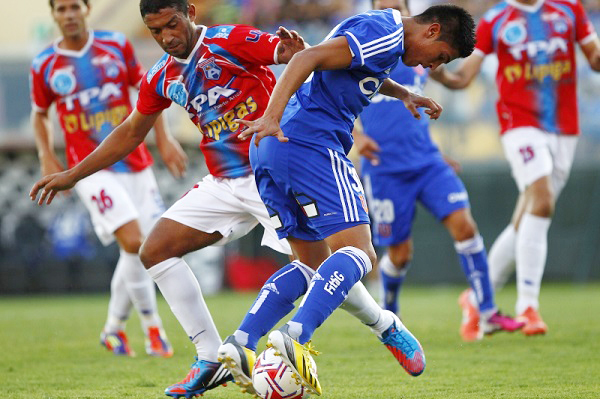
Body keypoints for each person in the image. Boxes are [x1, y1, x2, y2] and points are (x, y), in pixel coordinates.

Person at [30, 0, 310, 397]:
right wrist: (72, 175)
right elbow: (129, 133)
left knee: (322, 269)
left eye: (172, 25)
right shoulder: (160, 76)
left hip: (271, 172)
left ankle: (384, 325)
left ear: (190, 13)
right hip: (223, 182)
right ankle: (211, 357)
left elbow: (289, 55)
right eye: (156, 31)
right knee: (153, 249)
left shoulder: (230, 39)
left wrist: (289, 50)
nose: (167, 37)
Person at [218, 4, 476, 396]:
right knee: (360, 254)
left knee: (309, 263)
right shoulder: (385, 33)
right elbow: (307, 58)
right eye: (439, 56)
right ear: (432, 30)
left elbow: (353, 68)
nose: (433, 65)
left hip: (272, 151)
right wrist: (271, 116)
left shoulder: (385, 37)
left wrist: (404, 93)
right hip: (309, 142)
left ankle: (241, 342)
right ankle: (295, 336)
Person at [354, 0, 524, 342]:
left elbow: (454, 79)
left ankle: (487, 312)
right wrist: (356, 135)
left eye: (397, 5)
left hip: (429, 161)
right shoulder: (368, 45)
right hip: (384, 167)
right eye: (384, 6)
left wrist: (476, 56)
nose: (393, 11)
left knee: (465, 226)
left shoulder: (424, 52)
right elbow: (336, 86)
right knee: (400, 255)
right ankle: (390, 314)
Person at [30, 0, 188, 357]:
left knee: (145, 246)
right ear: (54, 15)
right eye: (61, 9)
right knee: (134, 242)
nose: (68, 15)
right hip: (87, 168)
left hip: (135, 160)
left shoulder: (115, 45)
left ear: (87, 9)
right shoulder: (45, 64)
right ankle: (154, 332)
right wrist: (46, 155)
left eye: (74, 7)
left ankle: (113, 330)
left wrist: (163, 139)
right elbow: (39, 115)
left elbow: (151, 90)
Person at [435, 0, 600, 337]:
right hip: (519, 123)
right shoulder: (496, 20)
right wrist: (437, 71)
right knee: (541, 200)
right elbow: (464, 78)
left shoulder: (569, 10)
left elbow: (594, 58)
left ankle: (476, 299)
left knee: (528, 216)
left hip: (565, 127)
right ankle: (529, 307)